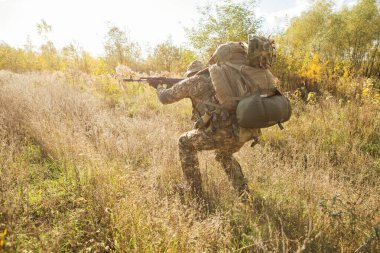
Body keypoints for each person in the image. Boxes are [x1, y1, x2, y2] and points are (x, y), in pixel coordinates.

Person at [156, 60, 260, 200]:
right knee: (224, 154)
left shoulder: (193, 81)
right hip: (240, 132)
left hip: (218, 133)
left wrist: (158, 86)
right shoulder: (220, 80)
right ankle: (244, 193)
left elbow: (164, 98)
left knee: (184, 142)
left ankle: (194, 191)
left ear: (191, 74)